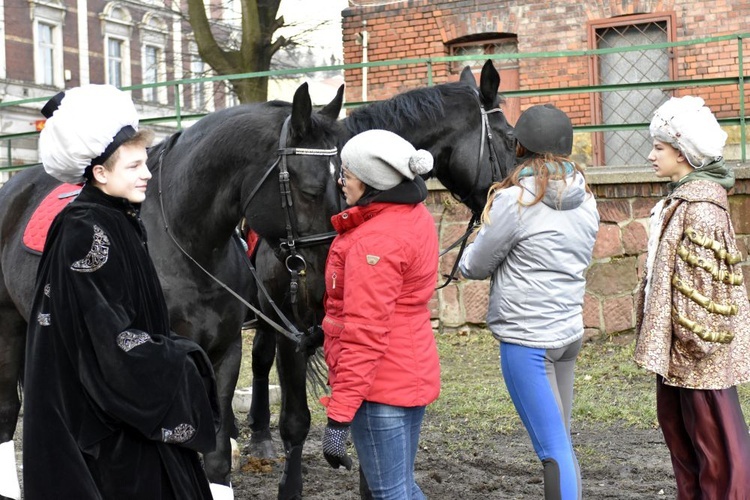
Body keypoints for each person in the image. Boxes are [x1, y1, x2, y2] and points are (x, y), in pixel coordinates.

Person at [23, 84, 222, 499]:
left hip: (123, 413)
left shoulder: (119, 217)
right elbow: (103, 336)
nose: (147, 173)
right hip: (104, 423)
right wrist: (179, 361)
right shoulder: (85, 228)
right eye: (133, 166)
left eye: (145, 163)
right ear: (100, 173)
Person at [458, 104, 599, 500]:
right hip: (567, 334)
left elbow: (476, 265)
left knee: (553, 452)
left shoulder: (514, 202)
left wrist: (471, 248)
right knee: (562, 444)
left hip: (528, 340)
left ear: (520, 148)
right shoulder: (586, 199)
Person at [634, 95, 750, 498]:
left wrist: (688, 352)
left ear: (683, 154)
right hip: (683, 361)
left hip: (700, 363)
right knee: (690, 452)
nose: (651, 155)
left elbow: (704, 301)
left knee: (718, 458)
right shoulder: (684, 201)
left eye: (659, 148)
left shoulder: (701, 209)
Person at [319, 129, 440, 499]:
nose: (340, 182)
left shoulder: (375, 242)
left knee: (390, 494)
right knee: (402, 488)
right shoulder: (413, 215)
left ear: (371, 183)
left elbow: (365, 334)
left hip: (380, 388)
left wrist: (338, 418)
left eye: (347, 175)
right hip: (410, 371)